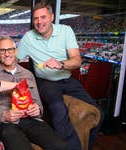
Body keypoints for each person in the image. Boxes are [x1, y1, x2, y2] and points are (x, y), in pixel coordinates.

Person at [17, 1, 103, 150]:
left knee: (98, 113)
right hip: (45, 82)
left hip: (67, 79)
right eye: (36, 18)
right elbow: (13, 59)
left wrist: (61, 64)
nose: (39, 22)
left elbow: (77, 60)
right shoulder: (28, 37)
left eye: (43, 17)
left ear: (51, 17)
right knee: (58, 108)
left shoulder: (65, 30)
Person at [0, 36, 66, 150]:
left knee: (60, 146)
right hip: (6, 124)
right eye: (2, 51)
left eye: (10, 50)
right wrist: (3, 115)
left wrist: (37, 109)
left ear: (16, 51)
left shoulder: (28, 74)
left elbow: (38, 103)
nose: (7, 54)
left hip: (31, 121)